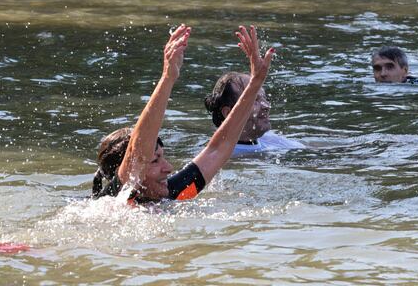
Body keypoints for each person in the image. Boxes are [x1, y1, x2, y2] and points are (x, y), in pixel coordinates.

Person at [91, 25, 275, 204]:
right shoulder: (117, 198)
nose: (168, 168)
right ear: (126, 170)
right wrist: (168, 77)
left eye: (162, 157)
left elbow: (219, 149)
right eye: (155, 160)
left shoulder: (172, 193)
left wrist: (255, 82)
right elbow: (138, 150)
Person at [205, 69, 304, 155]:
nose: (267, 106)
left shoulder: (268, 138)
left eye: (264, 98)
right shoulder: (223, 159)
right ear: (228, 113)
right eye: (255, 100)